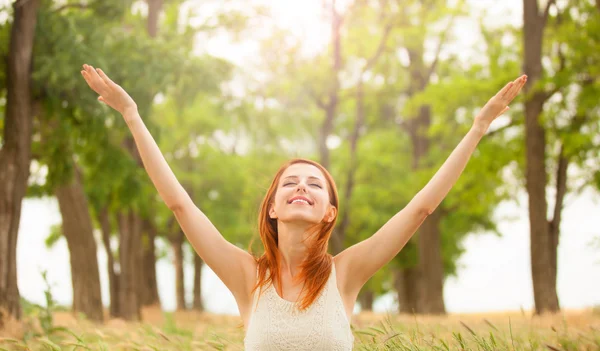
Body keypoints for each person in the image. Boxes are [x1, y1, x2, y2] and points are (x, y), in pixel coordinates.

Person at [81, 64, 526, 350]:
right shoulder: (247, 277)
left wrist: (478, 128)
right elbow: (179, 204)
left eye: (315, 184)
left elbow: (420, 209)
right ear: (272, 207)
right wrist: (132, 115)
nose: (301, 186)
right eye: (289, 182)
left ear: (329, 211)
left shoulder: (347, 273)